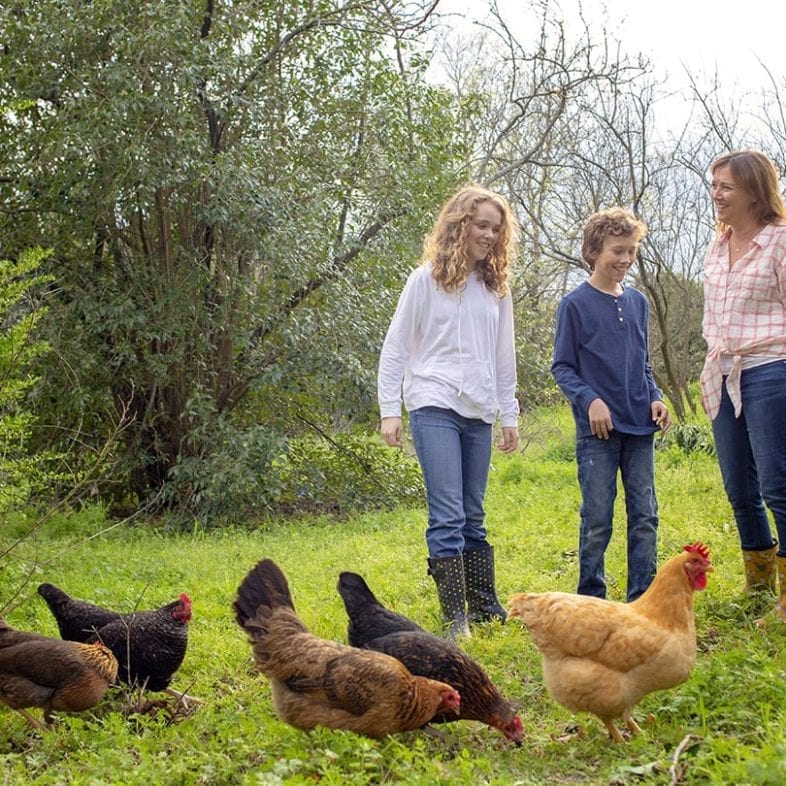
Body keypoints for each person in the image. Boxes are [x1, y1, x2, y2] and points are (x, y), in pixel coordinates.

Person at [377, 184, 520, 640]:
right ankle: (455, 618)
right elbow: (396, 346)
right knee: (447, 513)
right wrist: (389, 410)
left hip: (478, 409)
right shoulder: (426, 280)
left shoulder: (495, 289)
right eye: (482, 225)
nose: (489, 235)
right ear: (460, 225)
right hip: (432, 403)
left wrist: (509, 414)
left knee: (473, 513)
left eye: (496, 229)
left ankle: (484, 605)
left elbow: (504, 356)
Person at [551, 207, 671, 602]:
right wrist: (591, 401)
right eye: (617, 250)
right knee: (598, 519)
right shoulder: (575, 304)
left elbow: (643, 363)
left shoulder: (638, 302)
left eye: (632, 251)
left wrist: (655, 397)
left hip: (640, 429)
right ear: (593, 251)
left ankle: (643, 598)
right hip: (598, 433)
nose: (625, 259)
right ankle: (591, 599)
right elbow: (563, 367)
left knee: (645, 517)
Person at [701, 149, 786, 619]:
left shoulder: (779, 241)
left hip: (771, 368)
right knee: (739, 484)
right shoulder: (718, 243)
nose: (716, 194)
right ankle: (759, 584)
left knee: (778, 483)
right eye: (714, 185)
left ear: (754, 191)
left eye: (726, 186)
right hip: (723, 371)